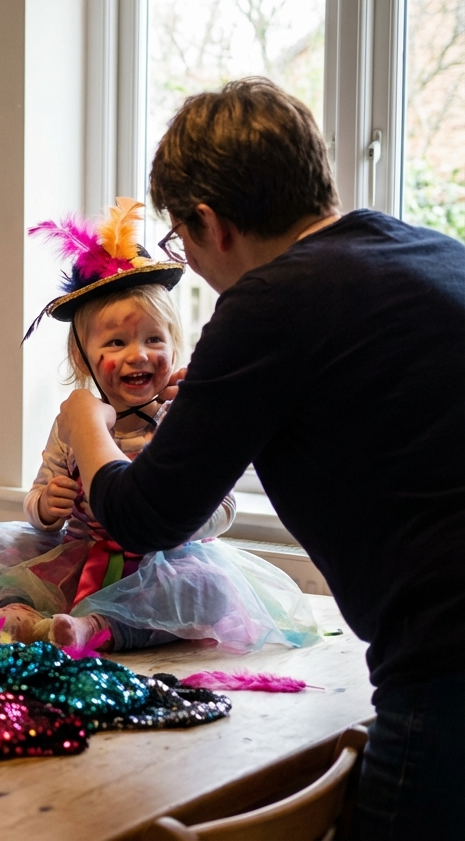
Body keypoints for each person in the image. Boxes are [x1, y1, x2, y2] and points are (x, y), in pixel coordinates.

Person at [57, 78, 465, 840]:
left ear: (210, 222)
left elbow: (148, 514)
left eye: (182, 242)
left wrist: (84, 423)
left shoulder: (272, 301)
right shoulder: (434, 253)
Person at [0, 199, 318, 654]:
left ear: (175, 347)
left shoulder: (180, 418)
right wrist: (47, 507)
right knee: (1, 547)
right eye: (117, 342)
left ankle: (97, 628)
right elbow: (39, 502)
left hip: (163, 563)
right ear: (84, 358)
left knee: (203, 587)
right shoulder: (75, 422)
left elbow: (225, 506)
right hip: (80, 557)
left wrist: (185, 520)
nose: (138, 354)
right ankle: (25, 617)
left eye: (154, 339)